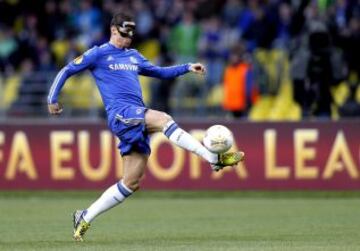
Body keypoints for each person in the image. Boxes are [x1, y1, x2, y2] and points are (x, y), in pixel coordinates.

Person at [47, 12, 244, 242]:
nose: (127, 39)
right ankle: (212, 158)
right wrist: (52, 98)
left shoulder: (133, 56)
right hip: (121, 114)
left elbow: (159, 72)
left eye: (131, 35)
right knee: (164, 119)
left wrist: (187, 67)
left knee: (131, 182)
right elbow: (67, 70)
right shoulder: (98, 53)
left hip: (136, 117)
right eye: (123, 34)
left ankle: (84, 216)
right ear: (113, 30)